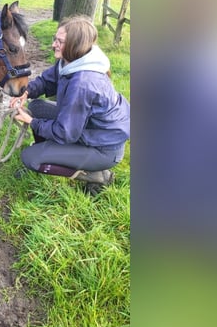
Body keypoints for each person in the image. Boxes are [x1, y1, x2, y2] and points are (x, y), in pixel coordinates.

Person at [9, 15, 130, 193]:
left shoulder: (83, 83)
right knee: (36, 107)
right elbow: (47, 80)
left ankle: (96, 175)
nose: (53, 45)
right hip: (87, 131)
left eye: (60, 41)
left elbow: (65, 132)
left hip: (103, 148)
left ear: (75, 45)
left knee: (30, 157)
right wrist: (26, 92)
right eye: (55, 39)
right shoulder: (72, 61)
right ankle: (52, 153)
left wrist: (32, 122)